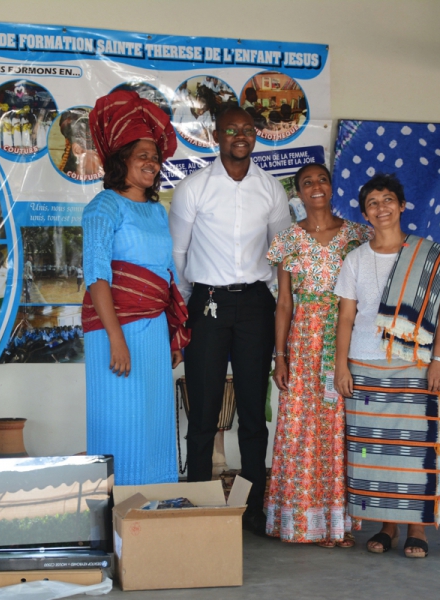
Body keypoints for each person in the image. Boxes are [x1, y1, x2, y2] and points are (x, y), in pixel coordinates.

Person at [169, 106, 291, 534]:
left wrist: (271, 301)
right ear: (216, 135)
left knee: (254, 415)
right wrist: (191, 304)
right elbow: (178, 255)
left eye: (247, 130)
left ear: (256, 135)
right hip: (207, 304)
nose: (240, 136)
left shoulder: (270, 189)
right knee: (203, 412)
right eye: (231, 130)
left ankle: (253, 508)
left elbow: (282, 255)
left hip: (256, 305)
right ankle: (201, 505)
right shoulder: (194, 188)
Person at [333, 173, 440, 558]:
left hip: (415, 366)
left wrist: (439, 360)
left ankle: (417, 528)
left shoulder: (429, 255)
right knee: (374, 451)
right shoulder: (355, 259)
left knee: (415, 448)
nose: (381, 208)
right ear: (364, 213)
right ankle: (386, 527)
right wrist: (341, 367)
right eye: (372, 203)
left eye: (388, 200)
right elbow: (346, 317)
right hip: (365, 365)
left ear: (402, 206)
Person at [81, 89, 188, 485]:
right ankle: (116, 517)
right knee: (120, 422)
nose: (151, 162)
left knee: (154, 421)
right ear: (120, 160)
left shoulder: (157, 211)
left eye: (155, 156)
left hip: (153, 332)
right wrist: (116, 339)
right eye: (142, 154)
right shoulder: (103, 206)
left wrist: (175, 335)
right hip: (115, 331)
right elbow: (96, 276)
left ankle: (155, 510)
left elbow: (167, 274)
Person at [266, 164, 371, 545]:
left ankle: (339, 524)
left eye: (321, 180)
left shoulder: (359, 236)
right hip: (303, 340)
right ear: (297, 191)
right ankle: (297, 520)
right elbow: (284, 303)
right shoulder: (288, 240)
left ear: (332, 185)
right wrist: (280, 356)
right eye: (306, 182)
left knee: (339, 428)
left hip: (344, 338)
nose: (315, 187)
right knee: (299, 428)